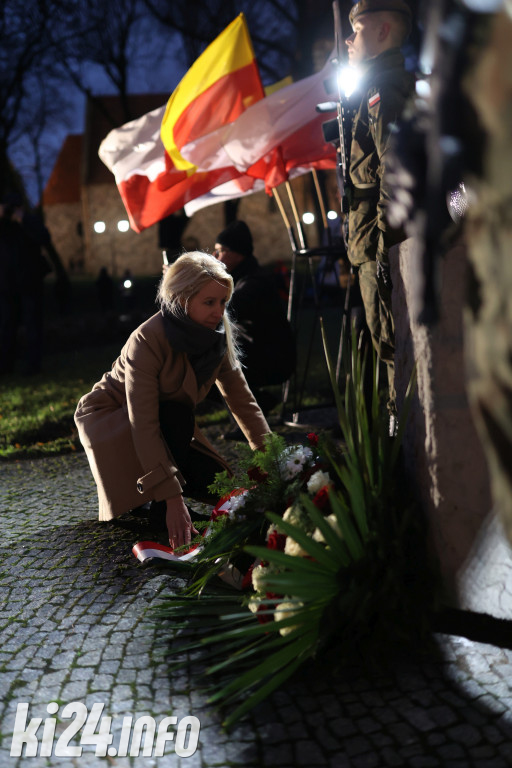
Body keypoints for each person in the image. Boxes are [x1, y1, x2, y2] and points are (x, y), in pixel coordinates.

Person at [75, 252, 271, 551]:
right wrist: (172, 499)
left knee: (220, 486)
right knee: (176, 417)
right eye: (209, 302)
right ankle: (160, 509)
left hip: (168, 425)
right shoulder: (147, 339)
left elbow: (242, 399)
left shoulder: (216, 335)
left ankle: (161, 499)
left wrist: (272, 458)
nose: (219, 312)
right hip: (111, 420)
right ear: (182, 300)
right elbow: (144, 422)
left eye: (222, 302)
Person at [344, 0, 415, 433]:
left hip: (381, 242)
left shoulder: (384, 90)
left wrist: (388, 247)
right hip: (375, 240)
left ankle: (403, 448)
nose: (350, 40)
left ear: (384, 31)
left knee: (393, 350)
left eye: (357, 29)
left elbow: (394, 172)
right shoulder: (382, 85)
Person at [213, 220, 296, 415]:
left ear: (235, 253)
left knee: (208, 366)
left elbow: (225, 312)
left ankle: (255, 412)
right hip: (256, 351)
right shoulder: (243, 277)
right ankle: (256, 407)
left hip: (271, 358)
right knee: (205, 362)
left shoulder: (254, 282)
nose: (215, 256)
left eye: (220, 250)